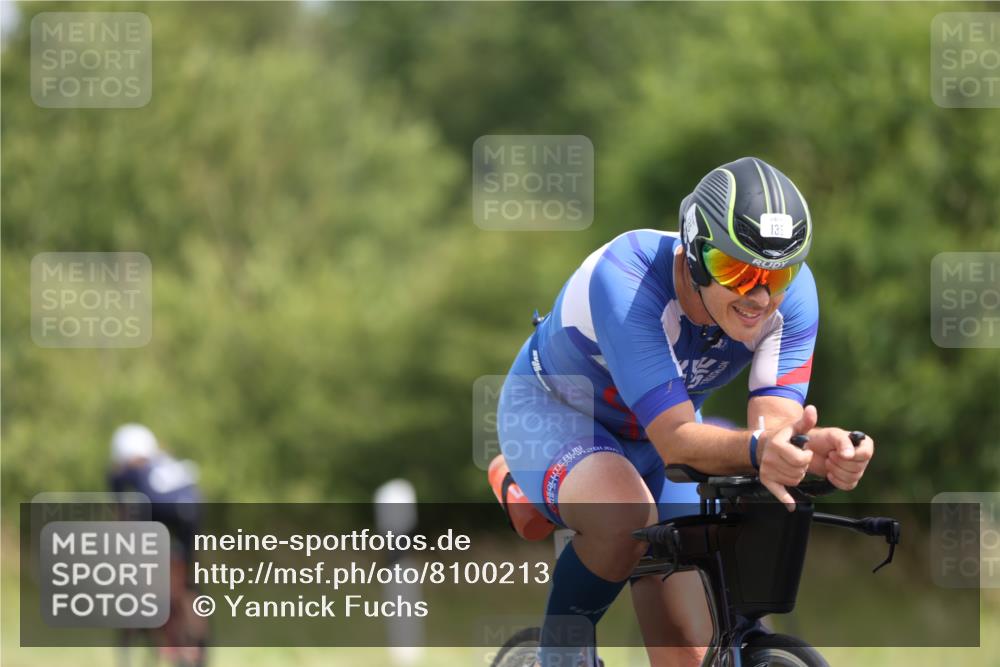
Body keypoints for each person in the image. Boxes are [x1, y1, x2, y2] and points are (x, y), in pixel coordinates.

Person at [495, 157, 875, 667]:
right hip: (555, 414)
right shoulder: (627, 279)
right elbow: (678, 440)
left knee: (692, 647)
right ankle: (558, 658)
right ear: (695, 253)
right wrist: (761, 448)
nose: (759, 296)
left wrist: (808, 450)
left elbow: (771, 432)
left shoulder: (793, 298)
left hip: (654, 440)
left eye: (778, 273)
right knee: (623, 517)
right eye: (736, 270)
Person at [109, 423, 207, 663]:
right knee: (187, 578)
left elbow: (120, 506)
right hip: (193, 511)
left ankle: (153, 613)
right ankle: (193, 625)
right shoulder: (170, 462)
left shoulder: (131, 469)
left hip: (159, 509)